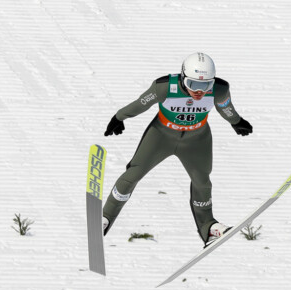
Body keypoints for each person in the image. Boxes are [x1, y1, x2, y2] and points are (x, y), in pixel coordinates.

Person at [102, 52, 253, 246]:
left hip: (196, 140)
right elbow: (141, 104)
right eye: (193, 84)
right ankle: (106, 217)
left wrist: (236, 122)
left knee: (202, 182)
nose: (199, 92)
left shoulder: (219, 90)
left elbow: (226, 108)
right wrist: (119, 117)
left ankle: (208, 227)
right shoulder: (164, 87)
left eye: (205, 85)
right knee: (134, 173)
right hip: (160, 136)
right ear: (183, 77)